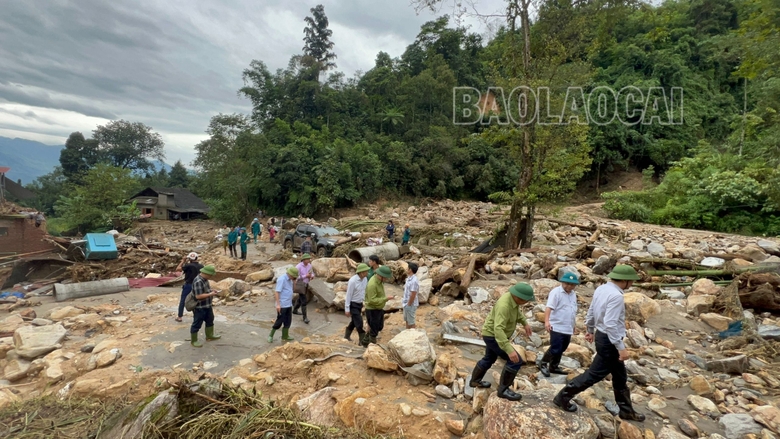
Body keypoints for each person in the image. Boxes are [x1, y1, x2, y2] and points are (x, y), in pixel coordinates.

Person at [552, 265, 646, 422]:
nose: (632, 284)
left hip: (602, 336)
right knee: (593, 375)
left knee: (620, 375)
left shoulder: (602, 289)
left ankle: (626, 410)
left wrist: (590, 328)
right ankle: (563, 396)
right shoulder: (616, 296)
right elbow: (610, 323)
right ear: (625, 281)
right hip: (609, 340)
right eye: (631, 281)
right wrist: (621, 347)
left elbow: (592, 310)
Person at [468, 282, 535, 401]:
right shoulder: (504, 306)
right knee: (515, 361)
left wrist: (525, 323)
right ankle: (503, 390)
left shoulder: (512, 299)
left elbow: (517, 312)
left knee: (489, 358)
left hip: (494, 335)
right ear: (518, 297)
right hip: (493, 336)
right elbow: (498, 329)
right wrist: (509, 350)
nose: (527, 302)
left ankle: (474, 381)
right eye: (526, 300)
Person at [539, 271, 580, 377]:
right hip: (556, 325)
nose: (569, 286)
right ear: (562, 282)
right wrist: (547, 321)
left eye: (572, 284)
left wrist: (573, 325)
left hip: (567, 326)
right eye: (567, 283)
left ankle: (554, 366)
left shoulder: (573, 294)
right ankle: (543, 363)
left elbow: (572, 310)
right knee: (555, 347)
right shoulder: (556, 292)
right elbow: (549, 307)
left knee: (563, 347)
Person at [190, 265, 222, 347]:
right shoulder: (198, 281)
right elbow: (198, 296)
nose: (211, 276)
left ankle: (209, 335)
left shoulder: (205, 280)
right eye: (210, 275)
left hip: (207, 305)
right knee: (197, 323)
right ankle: (194, 340)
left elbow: (206, 290)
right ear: (206, 273)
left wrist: (211, 291)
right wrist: (210, 294)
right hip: (200, 307)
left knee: (210, 320)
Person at [363, 265, 395, 346]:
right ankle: (371, 345)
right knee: (374, 329)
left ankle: (366, 340)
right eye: (385, 278)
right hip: (372, 309)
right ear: (381, 276)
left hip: (378, 308)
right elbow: (372, 300)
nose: (386, 279)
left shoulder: (379, 281)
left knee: (379, 326)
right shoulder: (372, 284)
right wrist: (385, 299)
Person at [268, 266, 298, 342]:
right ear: (290, 274)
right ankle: (271, 335)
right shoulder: (282, 279)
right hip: (282, 304)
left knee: (288, 320)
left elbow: (293, 289)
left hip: (289, 303)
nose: (294, 278)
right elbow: (277, 292)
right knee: (280, 320)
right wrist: (278, 304)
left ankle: (285, 335)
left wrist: (294, 282)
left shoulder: (291, 280)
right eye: (294, 276)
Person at [344, 263, 370, 345]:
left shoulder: (365, 279)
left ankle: (346, 336)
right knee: (359, 322)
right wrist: (347, 309)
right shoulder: (352, 281)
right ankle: (362, 341)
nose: (367, 273)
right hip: (353, 304)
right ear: (361, 272)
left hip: (360, 303)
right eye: (366, 271)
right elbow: (348, 295)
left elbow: (365, 291)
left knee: (354, 321)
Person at [175, 252, 203, 322]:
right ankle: (197, 316)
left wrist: (183, 261)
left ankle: (180, 316)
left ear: (189, 258)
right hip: (198, 285)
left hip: (189, 285)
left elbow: (178, 269)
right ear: (196, 258)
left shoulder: (188, 265)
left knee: (183, 300)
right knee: (196, 300)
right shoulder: (201, 266)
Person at [293, 253, 315, 324]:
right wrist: (305, 276)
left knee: (300, 298)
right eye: (308, 259)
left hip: (306, 284)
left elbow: (312, 273)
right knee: (304, 300)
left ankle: (295, 310)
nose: (309, 260)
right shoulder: (298, 267)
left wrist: (312, 276)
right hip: (300, 284)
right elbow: (295, 276)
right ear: (304, 260)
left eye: (309, 259)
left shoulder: (309, 266)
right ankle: (305, 317)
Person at [402, 262, 420, 329]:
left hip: (411, 304)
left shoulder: (414, 281)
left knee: (411, 322)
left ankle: (413, 336)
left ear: (410, 270)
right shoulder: (409, 278)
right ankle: (407, 333)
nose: (406, 269)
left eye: (408, 268)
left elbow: (413, 294)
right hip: (406, 302)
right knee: (407, 320)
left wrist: (409, 304)